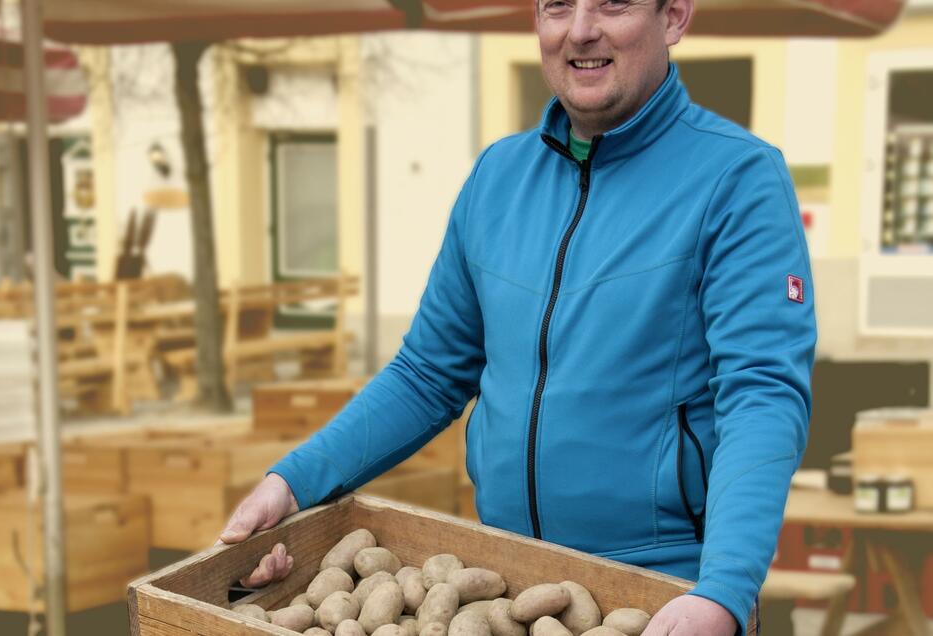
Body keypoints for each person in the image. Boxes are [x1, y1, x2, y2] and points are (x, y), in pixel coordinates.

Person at [220, 1, 817, 634]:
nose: (580, 29)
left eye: (612, 2)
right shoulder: (497, 178)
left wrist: (723, 590)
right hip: (502, 588)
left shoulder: (739, 179)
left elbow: (761, 396)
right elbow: (427, 373)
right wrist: (292, 482)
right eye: (557, 4)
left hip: (664, 594)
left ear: (673, 17)